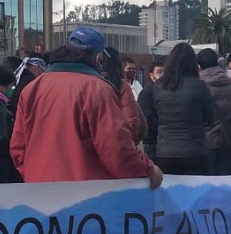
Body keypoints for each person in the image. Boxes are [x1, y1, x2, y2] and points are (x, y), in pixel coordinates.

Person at [11, 27, 162, 188]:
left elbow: (18, 148)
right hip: (86, 198)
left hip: (39, 192)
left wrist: (34, 175)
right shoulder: (98, 89)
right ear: (98, 59)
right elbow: (116, 152)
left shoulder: (32, 89)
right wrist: (148, 169)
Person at [138, 43, 215, 176]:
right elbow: (210, 118)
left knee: (169, 193)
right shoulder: (200, 86)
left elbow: (156, 114)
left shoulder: (159, 87)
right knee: (194, 193)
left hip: (165, 151)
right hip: (194, 151)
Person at [198, 48, 231, 175]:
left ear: (199, 66)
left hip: (206, 139)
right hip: (228, 137)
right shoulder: (230, 83)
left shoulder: (199, 85)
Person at [104, 47, 146, 143]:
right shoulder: (122, 86)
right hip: (119, 141)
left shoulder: (136, 85)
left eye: (134, 69)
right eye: (129, 69)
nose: (132, 71)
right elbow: (132, 122)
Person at [138, 59, 165, 161]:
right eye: (159, 72)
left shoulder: (166, 92)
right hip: (152, 141)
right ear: (151, 75)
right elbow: (148, 118)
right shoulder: (146, 94)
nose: (162, 75)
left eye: (164, 72)